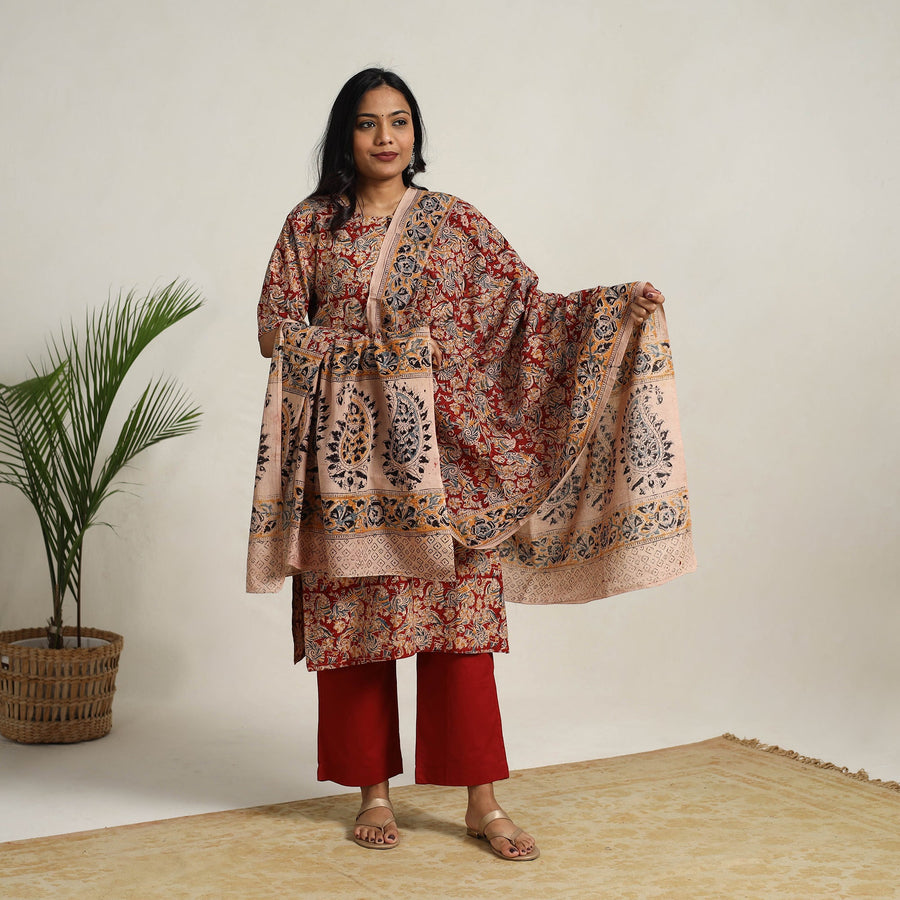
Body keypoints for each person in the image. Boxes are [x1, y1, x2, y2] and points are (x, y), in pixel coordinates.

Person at [248, 68, 690, 861]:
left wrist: (612, 308)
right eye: (368, 122)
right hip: (348, 459)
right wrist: (358, 355)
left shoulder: (454, 223)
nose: (386, 136)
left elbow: (528, 317)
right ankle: (372, 793)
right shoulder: (310, 226)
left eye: (400, 120)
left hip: (445, 457)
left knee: (461, 628)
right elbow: (273, 330)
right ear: (345, 135)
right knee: (357, 623)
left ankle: (482, 801)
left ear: (416, 132)